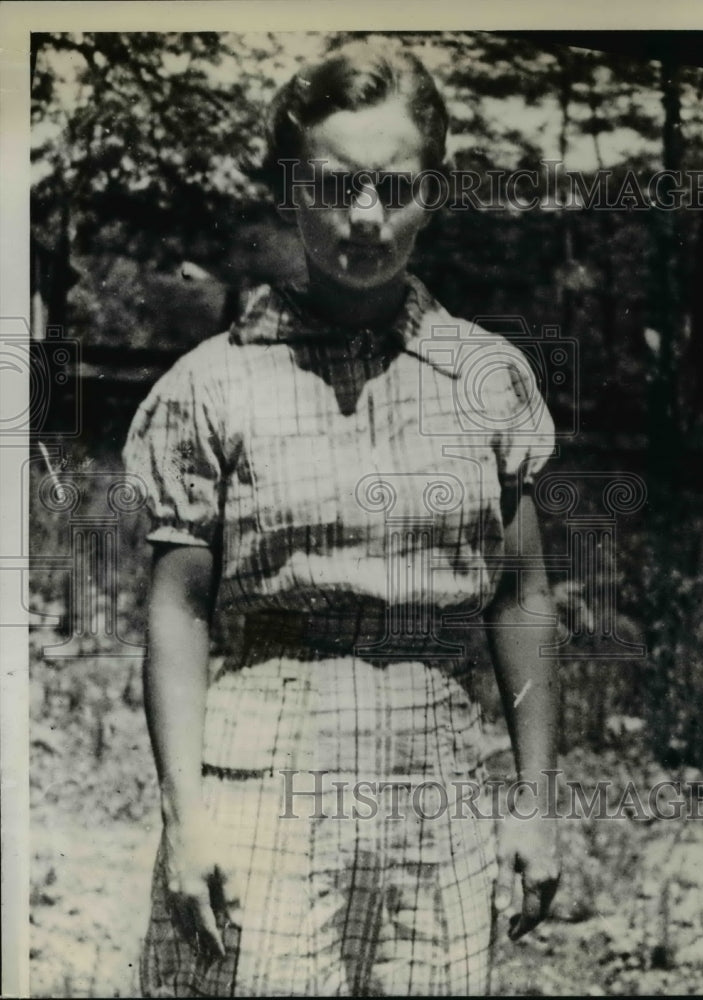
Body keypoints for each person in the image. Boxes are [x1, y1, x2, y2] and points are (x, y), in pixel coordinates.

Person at [123, 37, 561, 998]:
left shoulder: (487, 378)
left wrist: (532, 804)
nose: (364, 218)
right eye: (333, 187)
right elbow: (179, 613)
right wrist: (185, 813)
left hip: (435, 778)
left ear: (432, 191)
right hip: (261, 771)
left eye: (395, 188)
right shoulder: (215, 385)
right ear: (291, 191)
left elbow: (520, 597)